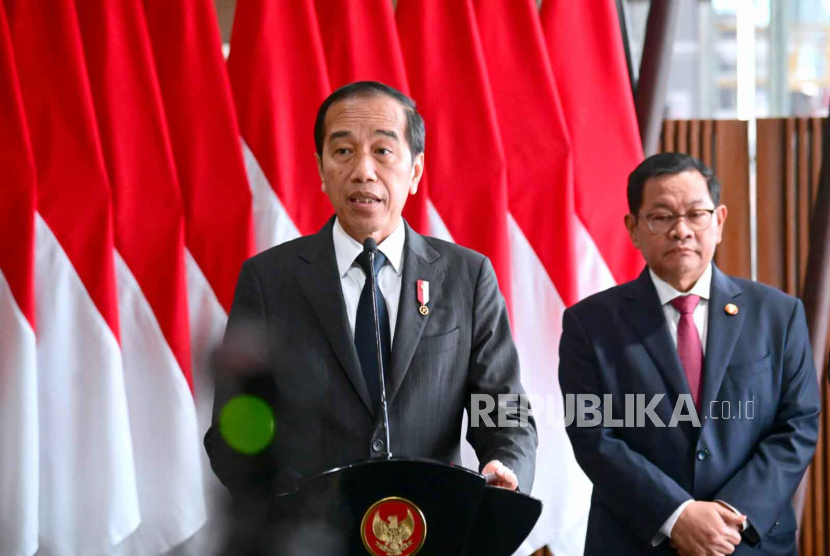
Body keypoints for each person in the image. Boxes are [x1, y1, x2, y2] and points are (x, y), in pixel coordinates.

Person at [205, 81, 537, 502]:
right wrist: (286, 503)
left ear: (415, 171)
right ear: (321, 170)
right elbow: (235, 427)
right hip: (311, 535)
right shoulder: (269, 281)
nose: (363, 170)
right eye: (343, 151)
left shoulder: (467, 278)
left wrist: (504, 463)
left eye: (382, 151)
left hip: (430, 527)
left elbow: (505, 409)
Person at [559, 152, 820, 555]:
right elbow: (593, 435)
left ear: (718, 221)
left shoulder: (778, 315)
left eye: (696, 214)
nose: (681, 231)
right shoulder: (590, 324)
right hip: (636, 539)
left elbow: (798, 425)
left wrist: (731, 512)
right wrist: (677, 515)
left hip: (748, 540)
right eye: (661, 217)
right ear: (633, 229)